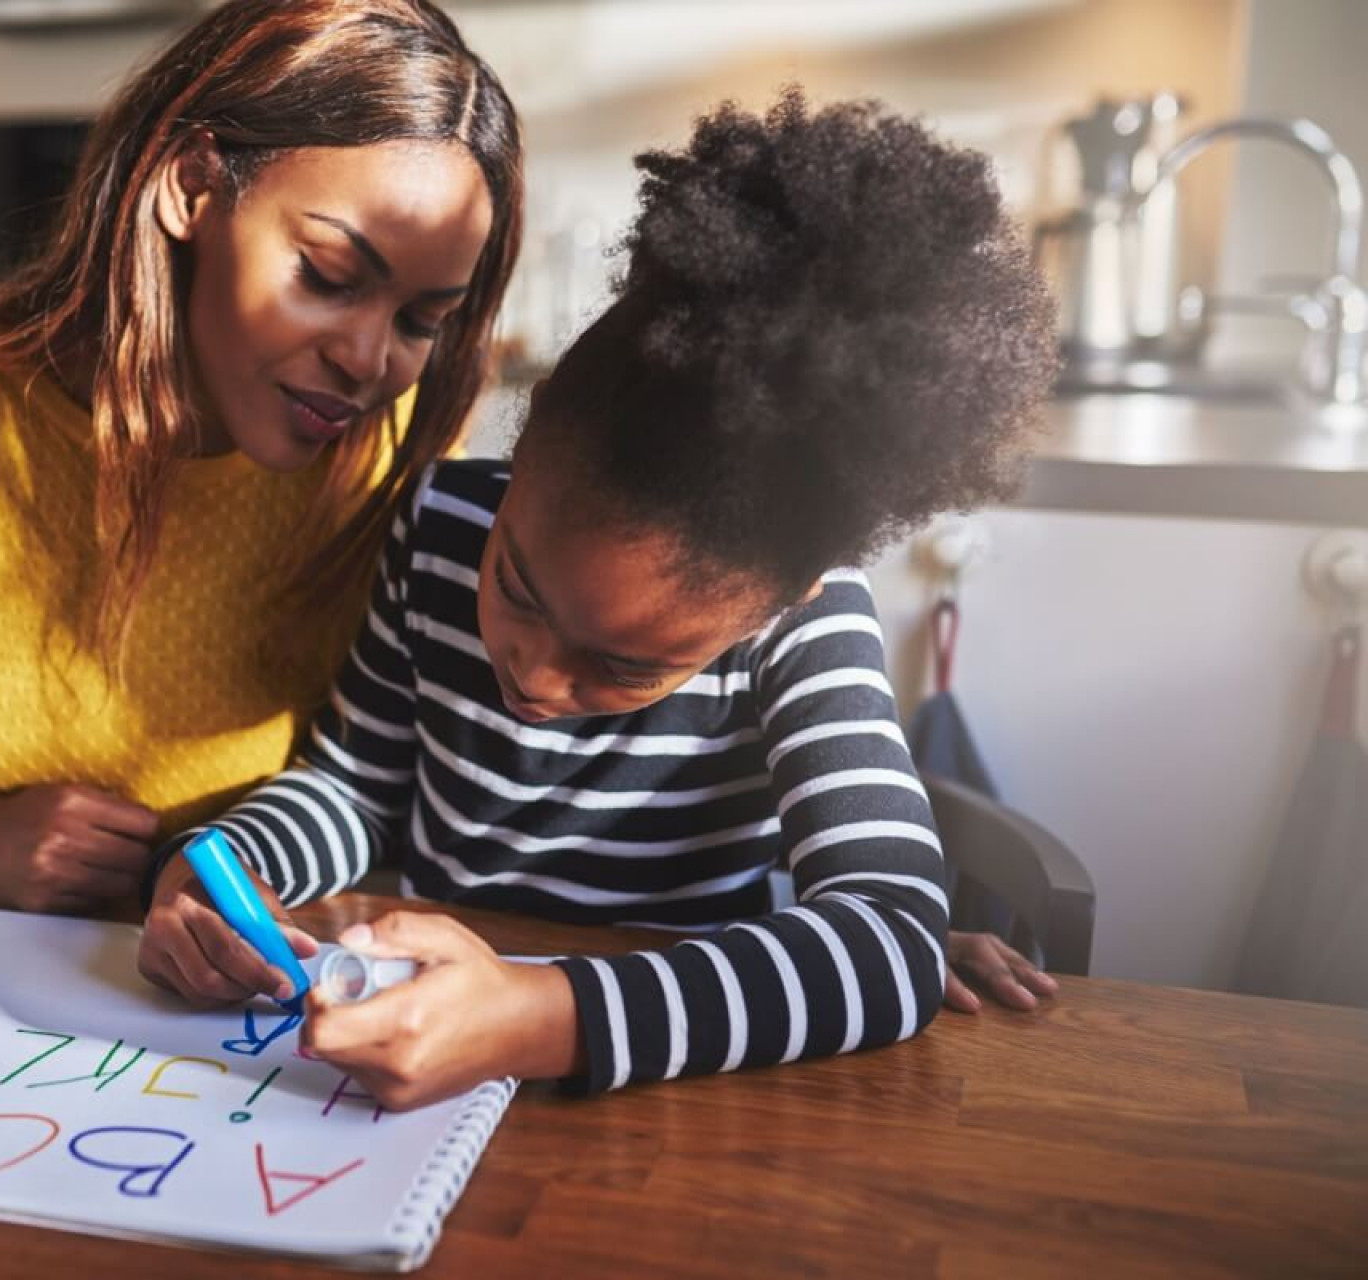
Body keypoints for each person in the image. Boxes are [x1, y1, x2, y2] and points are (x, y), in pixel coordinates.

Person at [138, 89, 1061, 1105]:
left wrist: (536, 1015)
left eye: (623, 665)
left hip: (666, 1095)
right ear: (526, 438)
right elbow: (355, 786)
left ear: (775, 601)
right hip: (420, 1064)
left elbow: (890, 938)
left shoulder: (806, 621)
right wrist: (226, 861)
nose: (533, 674)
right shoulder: (438, 520)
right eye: (517, 587)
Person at [0, 0, 523, 914]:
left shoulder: (393, 440)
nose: (367, 359)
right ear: (192, 187)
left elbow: (391, 772)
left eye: (422, 320)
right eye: (327, 276)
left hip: (261, 971)